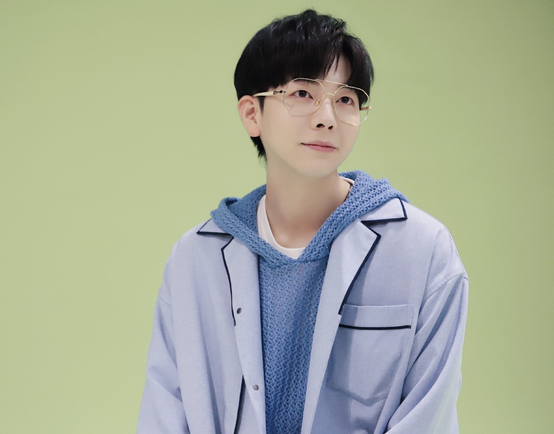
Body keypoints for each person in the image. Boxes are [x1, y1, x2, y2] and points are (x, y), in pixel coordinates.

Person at [137, 9, 468, 434]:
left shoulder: (423, 250)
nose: (327, 116)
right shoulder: (193, 260)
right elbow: (165, 412)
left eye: (345, 99)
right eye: (302, 93)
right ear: (252, 114)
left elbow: (428, 416)